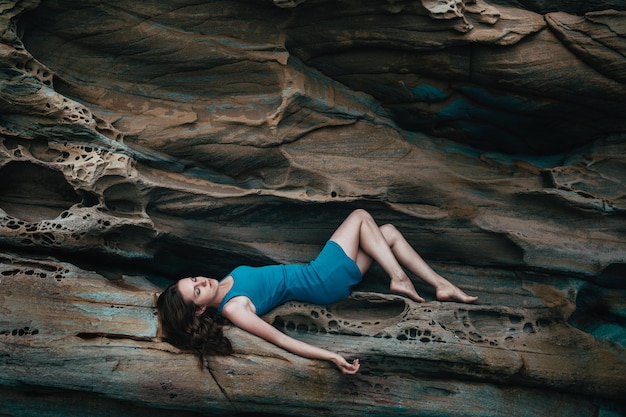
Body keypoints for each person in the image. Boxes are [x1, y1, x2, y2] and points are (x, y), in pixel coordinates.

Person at [157, 209, 477, 375]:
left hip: (320, 274)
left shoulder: (225, 280)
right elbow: (282, 340)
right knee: (360, 216)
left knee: (388, 234)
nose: (202, 282)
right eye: (196, 292)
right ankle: (399, 279)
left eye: (195, 279)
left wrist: (162, 299)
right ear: (199, 310)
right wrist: (332, 355)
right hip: (321, 279)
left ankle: (441, 286)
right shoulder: (233, 308)